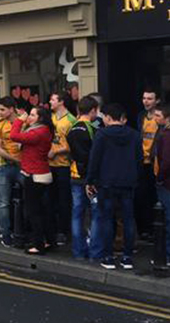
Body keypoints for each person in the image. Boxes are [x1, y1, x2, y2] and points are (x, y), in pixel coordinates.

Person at [87, 104, 143, 270]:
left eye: (104, 116)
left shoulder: (102, 134)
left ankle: (109, 257)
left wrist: (90, 180)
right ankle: (127, 257)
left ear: (109, 118)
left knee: (107, 219)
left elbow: (94, 159)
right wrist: (136, 178)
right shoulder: (134, 135)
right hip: (128, 182)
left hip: (107, 183)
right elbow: (139, 160)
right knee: (128, 219)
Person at [11, 106, 54, 255]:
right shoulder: (43, 130)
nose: (29, 117)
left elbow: (14, 136)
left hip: (35, 175)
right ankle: (48, 240)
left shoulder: (38, 132)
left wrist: (18, 120)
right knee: (41, 210)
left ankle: (38, 245)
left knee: (33, 212)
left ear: (40, 118)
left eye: (33, 115)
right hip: (40, 173)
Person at [67, 96, 102, 260]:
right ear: (93, 110)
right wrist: (91, 179)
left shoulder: (71, 128)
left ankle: (78, 251)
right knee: (95, 214)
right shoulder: (92, 130)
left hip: (74, 176)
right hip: (89, 178)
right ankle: (95, 252)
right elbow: (92, 158)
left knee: (77, 214)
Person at [0, 96, 22, 247]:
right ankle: (5, 233)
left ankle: (21, 232)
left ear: (12, 109)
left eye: (2, 109)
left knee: (27, 199)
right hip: (4, 166)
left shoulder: (22, 122)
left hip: (23, 166)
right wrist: (16, 160)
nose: (0, 112)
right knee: (4, 203)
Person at [49, 92, 77, 246]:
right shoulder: (51, 118)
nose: (50, 101)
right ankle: (52, 229)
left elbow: (74, 144)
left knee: (63, 200)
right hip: (49, 164)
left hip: (64, 165)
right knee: (50, 199)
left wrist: (57, 151)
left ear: (61, 102)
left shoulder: (71, 120)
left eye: (53, 99)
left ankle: (63, 231)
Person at [136, 88, 161, 241]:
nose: (146, 101)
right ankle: (144, 229)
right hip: (141, 161)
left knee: (154, 196)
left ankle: (154, 229)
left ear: (157, 101)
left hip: (154, 162)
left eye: (150, 99)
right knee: (141, 196)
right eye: (144, 98)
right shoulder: (141, 116)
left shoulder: (160, 118)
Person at [151, 104, 170, 267]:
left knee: (166, 218)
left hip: (166, 183)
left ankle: (167, 255)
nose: (154, 119)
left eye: (158, 115)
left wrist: (160, 178)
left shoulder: (165, 135)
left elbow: (166, 162)